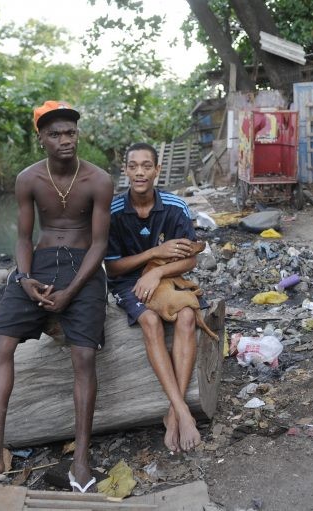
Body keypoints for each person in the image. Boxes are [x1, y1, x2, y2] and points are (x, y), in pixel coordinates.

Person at [0, 101, 114, 491]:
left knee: (83, 353)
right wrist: (25, 278)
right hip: (39, 263)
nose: (65, 140)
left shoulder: (98, 180)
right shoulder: (28, 178)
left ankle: (81, 461)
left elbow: (99, 244)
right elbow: (23, 238)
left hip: (83, 266)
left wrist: (70, 292)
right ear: (41, 138)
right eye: (55, 134)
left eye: (70, 133)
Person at [104, 142, 205, 452]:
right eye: (133, 166)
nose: (139, 172)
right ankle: (183, 410)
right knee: (150, 321)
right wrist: (153, 254)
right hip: (127, 282)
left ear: (157, 170)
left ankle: (174, 413)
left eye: (146, 166)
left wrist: (157, 270)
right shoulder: (114, 212)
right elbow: (111, 267)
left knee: (187, 316)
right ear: (125, 171)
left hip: (167, 275)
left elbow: (190, 260)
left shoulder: (175, 206)